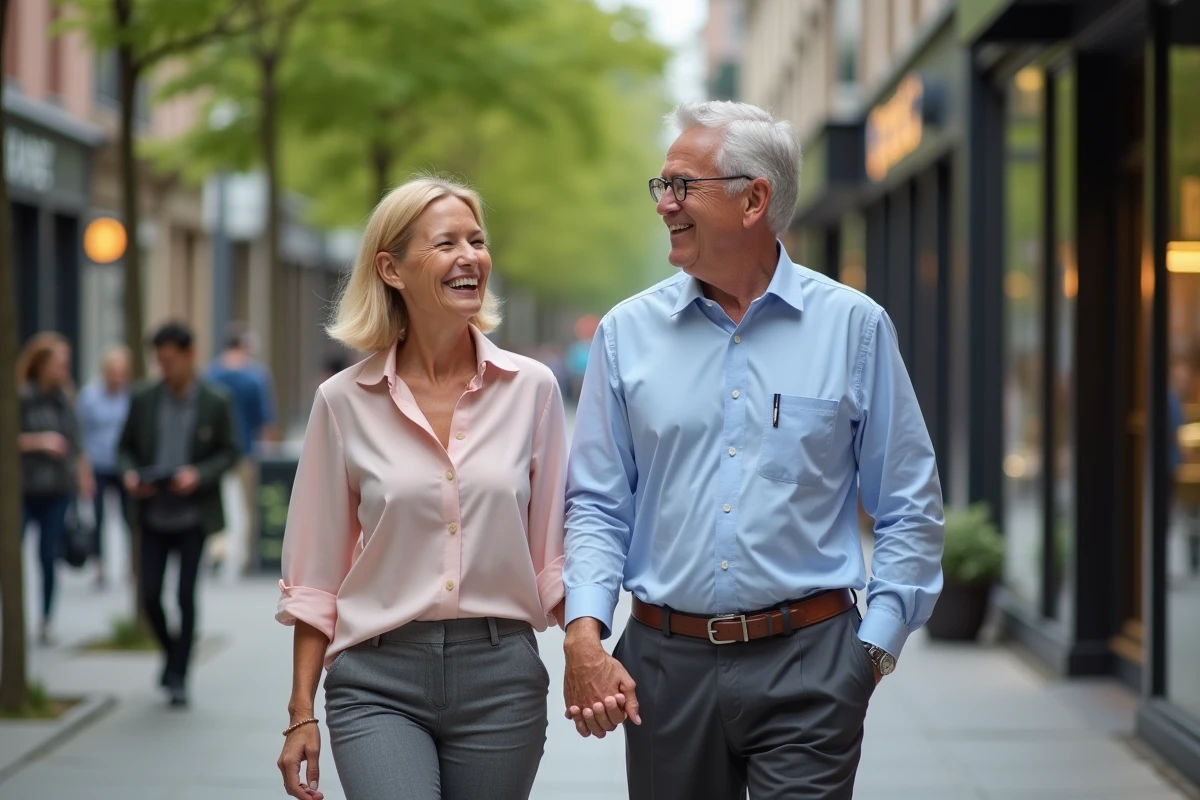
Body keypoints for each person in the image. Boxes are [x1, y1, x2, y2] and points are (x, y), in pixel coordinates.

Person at [561, 101, 945, 800]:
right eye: (662, 186)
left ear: (753, 199)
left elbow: (909, 503)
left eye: (682, 186)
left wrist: (873, 649)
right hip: (664, 671)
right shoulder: (625, 334)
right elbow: (595, 503)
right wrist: (584, 632)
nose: (665, 205)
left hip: (812, 665)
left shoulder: (854, 328)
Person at [275, 177, 567, 800]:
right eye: (446, 244)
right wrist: (301, 712)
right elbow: (314, 577)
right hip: (377, 678)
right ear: (391, 268)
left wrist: (591, 651)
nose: (471, 257)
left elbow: (553, 559)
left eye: (477, 241)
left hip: (501, 677)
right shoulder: (342, 402)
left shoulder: (533, 390)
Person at [118, 321, 240, 707]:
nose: (163, 367)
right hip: (152, 513)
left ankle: (179, 676)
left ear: (189, 355)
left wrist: (198, 475)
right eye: (159, 360)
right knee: (150, 594)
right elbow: (125, 449)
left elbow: (230, 451)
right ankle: (173, 655)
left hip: (192, 517)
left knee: (186, 596)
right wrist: (130, 475)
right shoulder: (143, 398)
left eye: (170, 359)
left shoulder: (214, 401)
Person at [17, 332, 94, 644]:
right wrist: (40, 442)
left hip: (59, 489)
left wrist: (84, 478)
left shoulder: (66, 399)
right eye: (60, 363)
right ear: (42, 364)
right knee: (11, 554)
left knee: (48, 556)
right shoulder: (20, 397)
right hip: (23, 489)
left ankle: (47, 619)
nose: (65, 369)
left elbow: (77, 445)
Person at [205, 322, 278, 574]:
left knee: (217, 502)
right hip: (246, 449)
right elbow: (265, 420)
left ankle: (217, 549)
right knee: (248, 506)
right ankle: (248, 557)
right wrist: (268, 449)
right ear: (245, 346)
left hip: (214, 450)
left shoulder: (211, 374)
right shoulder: (255, 377)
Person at [77, 345, 133, 587]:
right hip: (97, 464)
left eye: (121, 372)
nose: (117, 377)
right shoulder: (89, 397)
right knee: (97, 518)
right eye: (113, 371)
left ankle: (133, 564)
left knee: (128, 517)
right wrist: (83, 471)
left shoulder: (129, 397)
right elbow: (81, 434)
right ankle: (100, 565)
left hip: (121, 465)